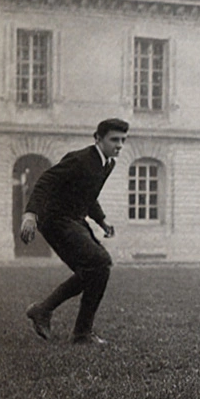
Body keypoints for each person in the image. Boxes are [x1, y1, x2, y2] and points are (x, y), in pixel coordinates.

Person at [21, 118, 129, 345]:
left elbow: (88, 195)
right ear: (98, 139)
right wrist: (30, 214)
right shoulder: (80, 159)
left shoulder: (108, 163)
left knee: (96, 271)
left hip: (74, 220)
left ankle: (58, 320)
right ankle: (73, 328)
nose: (119, 145)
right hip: (56, 220)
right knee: (99, 261)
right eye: (114, 139)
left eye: (122, 140)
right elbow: (45, 181)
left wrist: (101, 221)